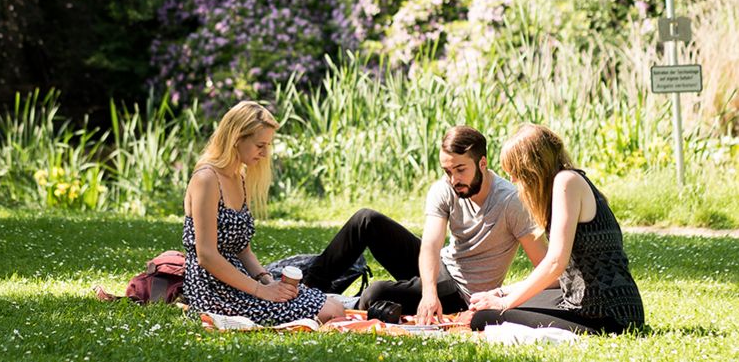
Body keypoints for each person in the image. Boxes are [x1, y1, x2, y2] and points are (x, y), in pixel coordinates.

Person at [302, 126, 550, 324]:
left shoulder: (511, 202)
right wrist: (429, 293)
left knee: (375, 293)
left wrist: (502, 296)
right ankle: (307, 290)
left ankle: (347, 303)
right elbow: (431, 245)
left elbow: (546, 266)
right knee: (366, 220)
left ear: (482, 163)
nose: (453, 179)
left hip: (462, 295)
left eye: (460, 169)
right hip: (441, 270)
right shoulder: (444, 189)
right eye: (447, 170)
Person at [468, 124, 644, 334]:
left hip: (606, 313)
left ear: (534, 166)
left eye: (516, 171)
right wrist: (500, 293)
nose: (513, 180)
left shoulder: (566, 182)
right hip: (592, 302)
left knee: (485, 317)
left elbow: (555, 263)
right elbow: (559, 276)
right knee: (512, 303)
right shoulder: (566, 183)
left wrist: (504, 305)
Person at [182, 101, 344, 324]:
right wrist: (260, 290)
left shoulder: (239, 177)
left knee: (334, 306)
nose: (265, 153)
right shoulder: (206, 179)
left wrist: (267, 280)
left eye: (267, 145)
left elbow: (243, 250)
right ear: (237, 138)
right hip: (213, 291)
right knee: (329, 312)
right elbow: (206, 256)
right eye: (260, 145)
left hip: (241, 281)